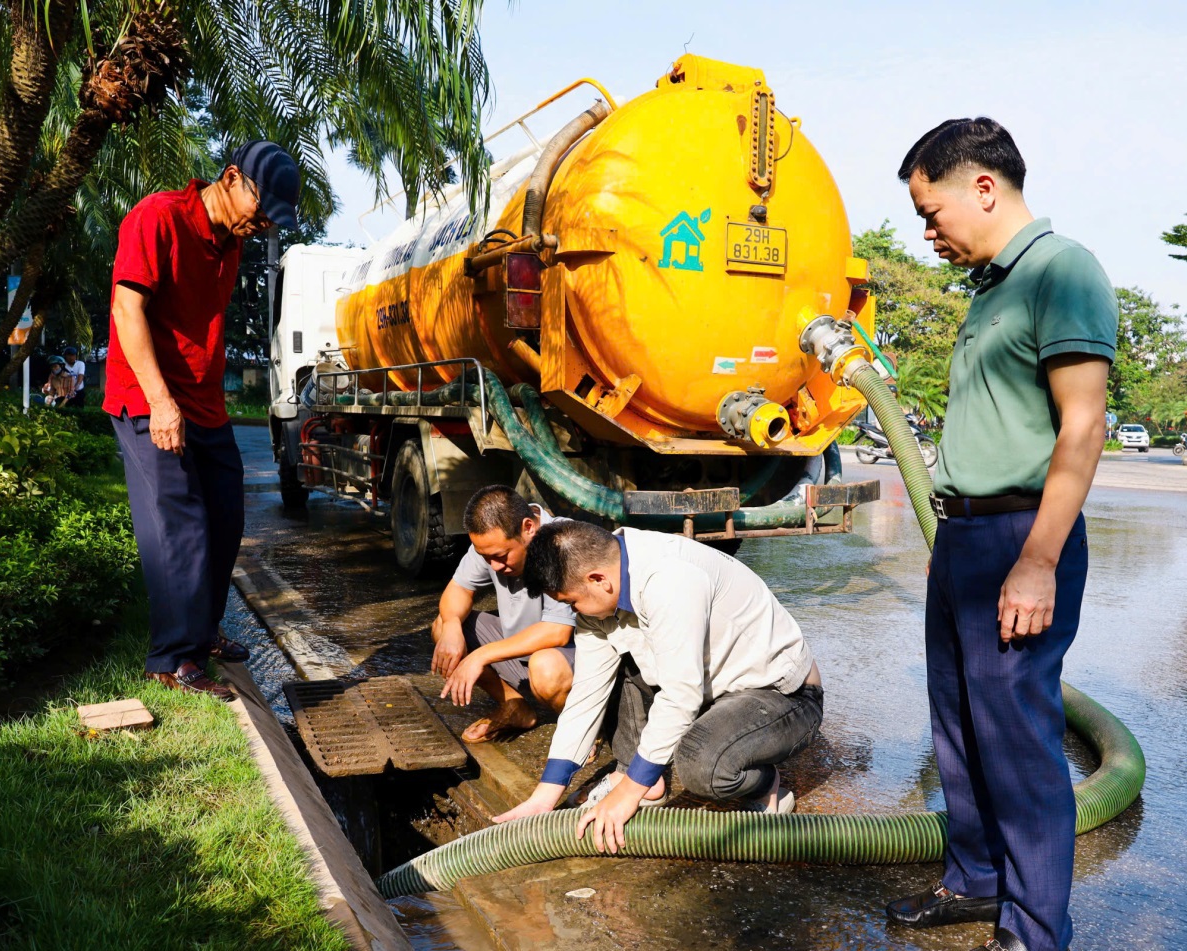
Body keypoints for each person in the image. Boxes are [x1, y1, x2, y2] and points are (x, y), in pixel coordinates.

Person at [883, 118, 1116, 951]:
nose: (928, 230)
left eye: (930, 209)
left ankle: (1033, 928)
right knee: (959, 724)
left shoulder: (1062, 270)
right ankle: (976, 878)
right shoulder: (989, 288)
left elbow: (1082, 426)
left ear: (984, 187)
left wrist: (1039, 559)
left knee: (1018, 738)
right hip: (964, 538)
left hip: (1022, 534)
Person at [106, 140, 300, 700]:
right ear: (232, 178)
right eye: (259, 212)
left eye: (270, 223)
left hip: (204, 403)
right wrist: (161, 402)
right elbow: (126, 309)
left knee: (225, 513)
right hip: (149, 397)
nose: (261, 227)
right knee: (179, 523)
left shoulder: (230, 240)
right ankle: (172, 657)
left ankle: (205, 631)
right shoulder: (158, 217)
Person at [494, 520, 825, 847]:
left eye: (571, 602)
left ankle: (766, 785)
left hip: (782, 697)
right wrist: (544, 796)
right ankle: (638, 778)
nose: (573, 611)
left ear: (598, 579)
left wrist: (627, 795)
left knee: (701, 766)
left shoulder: (669, 579)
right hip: (710, 686)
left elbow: (681, 695)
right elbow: (587, 693)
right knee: (615, 662)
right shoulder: (605, 580)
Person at [431, 486, 577, 742]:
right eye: (486, 558)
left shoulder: (563, 543)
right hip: (524, 653)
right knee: (443, 626)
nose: (494, 566)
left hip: (573, 659)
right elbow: (458, 589)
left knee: (545, 667)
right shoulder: (491, 544)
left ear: (528, 527)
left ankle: (584, 727)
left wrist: (478, 657)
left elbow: (558, 632)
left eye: (501, 556)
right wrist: (452, 626)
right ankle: (514, 705)